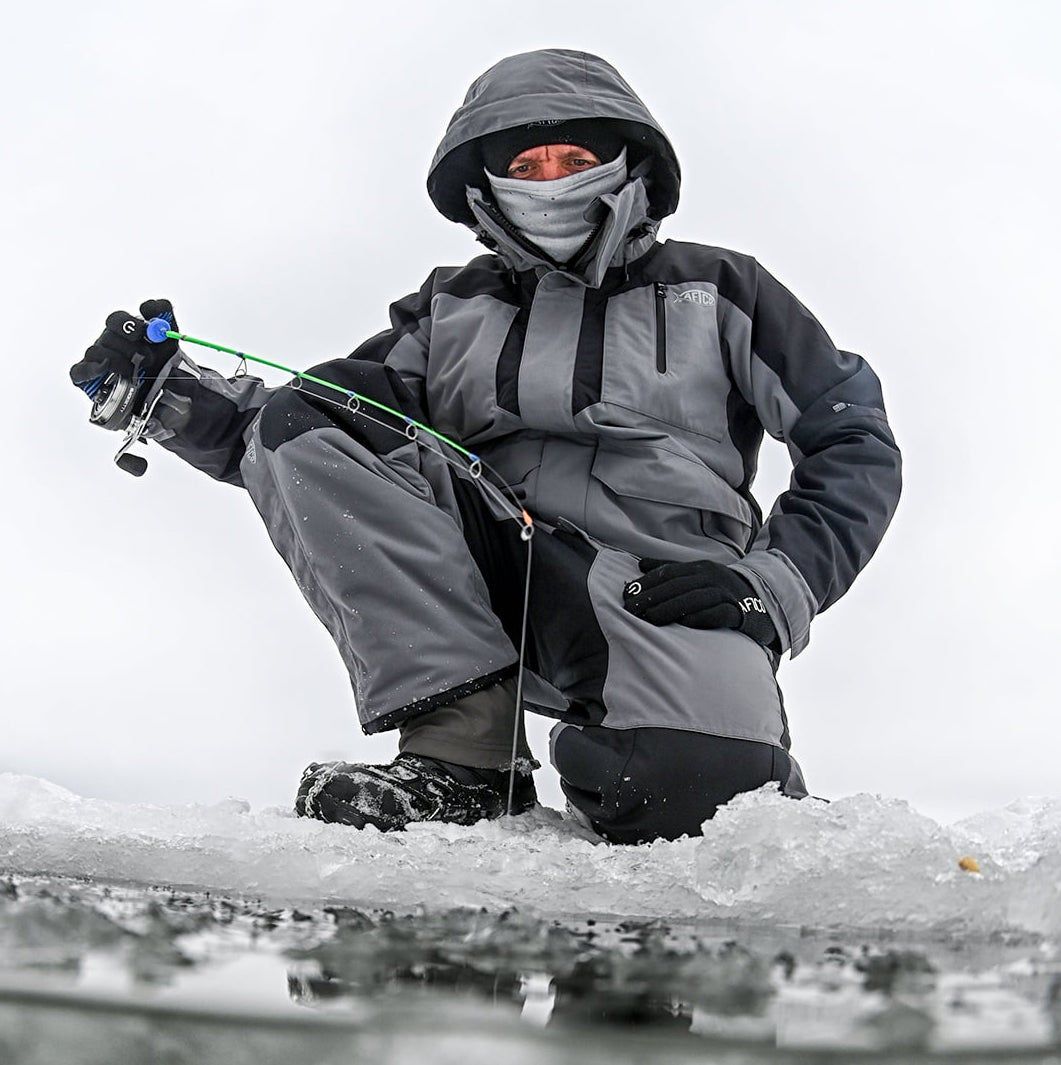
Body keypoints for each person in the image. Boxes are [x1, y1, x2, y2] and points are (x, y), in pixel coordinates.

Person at [70, 49, 902, 844]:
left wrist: (771, 586)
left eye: (573, 157)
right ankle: (466, 758)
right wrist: (167, 397)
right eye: (526, 167)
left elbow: (851, 437)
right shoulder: (447, 307)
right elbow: (315, 440)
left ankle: (744, 773)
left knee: (691, 803)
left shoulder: (725, 288)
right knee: (311, 409)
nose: (551, 184)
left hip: (665, 595)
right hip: (488, 574)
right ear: (488, 185)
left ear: (626, 164)